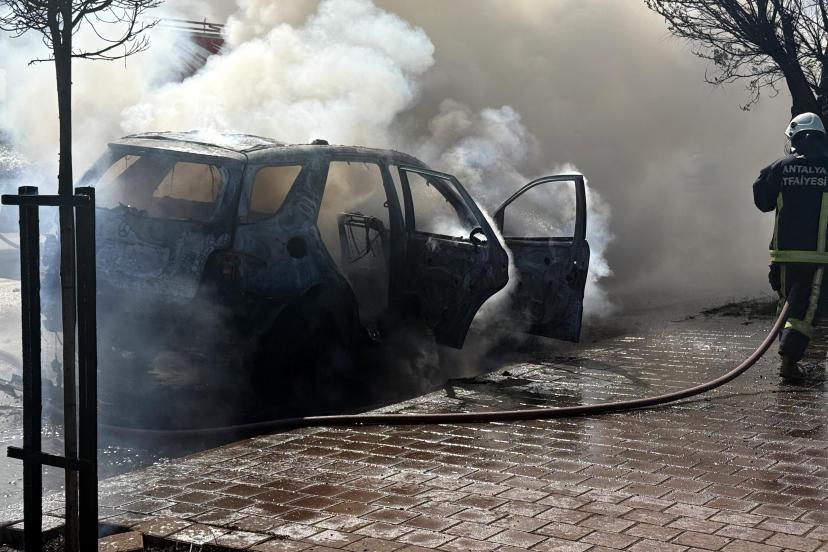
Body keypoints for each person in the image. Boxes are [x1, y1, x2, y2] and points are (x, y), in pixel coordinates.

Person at [754, 112, 828, 383]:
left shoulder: (780, 167)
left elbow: (763, 202)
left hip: (783, 254)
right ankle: (788, 361)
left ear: (795, 139)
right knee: (806, 310)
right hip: (819, 256)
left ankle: (787, 355)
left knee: (787, 304)